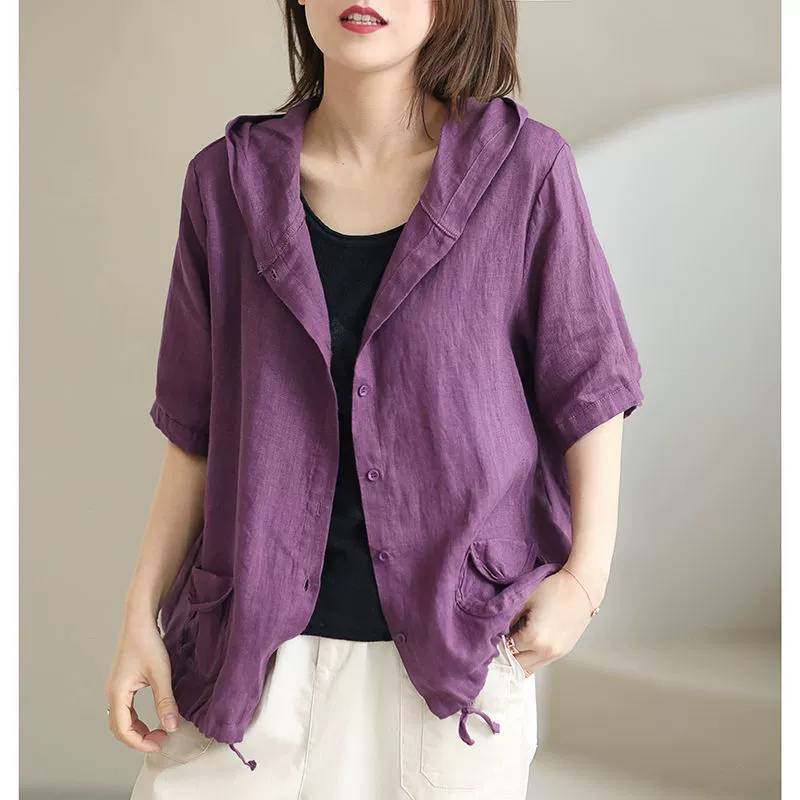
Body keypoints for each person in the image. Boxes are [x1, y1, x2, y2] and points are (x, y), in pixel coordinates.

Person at [106, 1, 644, 798]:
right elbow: (194, 431)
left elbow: (590, 387)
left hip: (451, 664)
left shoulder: (525, 171)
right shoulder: (224, 183)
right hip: (241, 657)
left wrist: (584, 582)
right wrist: (139, 614)